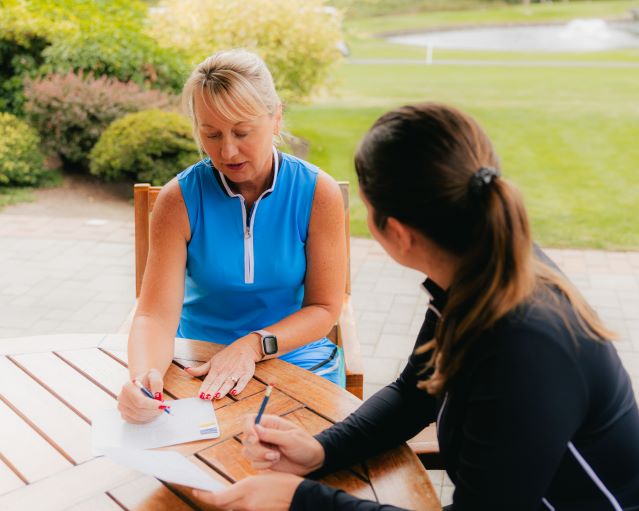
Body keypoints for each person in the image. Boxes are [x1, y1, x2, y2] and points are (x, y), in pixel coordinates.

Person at [193, 103, 639, 510]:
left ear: (398, 234)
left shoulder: (524, 346)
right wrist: (322, 451)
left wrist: (300, 501)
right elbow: (415, 392)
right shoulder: (482, 271)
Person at [117, 49, 347, 424]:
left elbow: (324, 309)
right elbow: (155, 316)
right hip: (198, 363)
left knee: (294, 463)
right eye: (211, 134)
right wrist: (143, 380)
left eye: (241, 132)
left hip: (293, 357)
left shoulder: (317, 193)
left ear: (275, 118)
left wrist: (253, 346)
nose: (227, 150)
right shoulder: (179, 199)